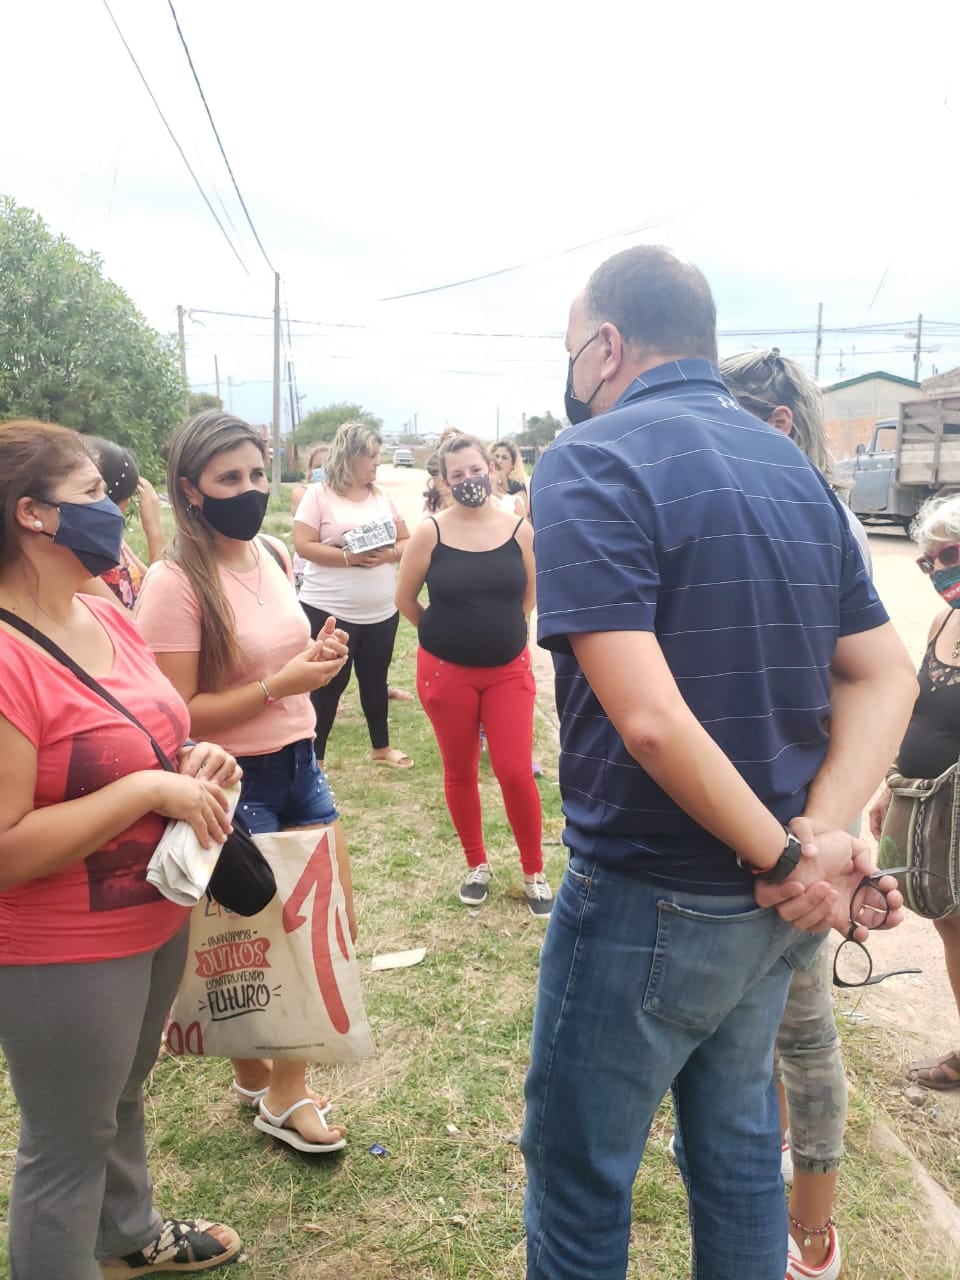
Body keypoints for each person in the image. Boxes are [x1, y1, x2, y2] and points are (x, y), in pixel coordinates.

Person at [523, 245, 918, 1280]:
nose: (570, 373)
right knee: (741, 1148)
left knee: (579, 1174)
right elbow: (886, 674)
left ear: (606, 346)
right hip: (769, 904)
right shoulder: (789, 463)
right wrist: (816, 841)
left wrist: (799, 853)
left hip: (655, 891)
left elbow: (649, 719)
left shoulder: (591, 458)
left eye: (571, 350)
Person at [0, 419, 243, 1279]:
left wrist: (189, 762)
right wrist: (148, 790)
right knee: (64, 1150)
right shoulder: (4, 656)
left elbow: (149, 734)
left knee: (121, 1096)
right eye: (95, 494)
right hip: (60, 946)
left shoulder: (105, 609)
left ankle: (127, 1233)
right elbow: (7, 848)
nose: (114, 507)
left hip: (153, 916)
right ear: (33, 516)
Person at [135, 409, 356, 1155]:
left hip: (300, 762)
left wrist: (316, 657)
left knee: (314, 930)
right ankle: (275, 1088)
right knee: (257, 938)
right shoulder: (173, 581)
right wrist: (276, 685)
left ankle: (272, 1081)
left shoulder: (268, 553)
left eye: (258, 473)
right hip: (231, 780)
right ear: (191, 490)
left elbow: (278, 657)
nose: (251, 489)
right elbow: (180, 714)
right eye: (231, 477)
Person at [721, 349, 875, 1280]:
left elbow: (861, 685)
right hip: (735, 816)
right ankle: (760, 1144)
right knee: (755, 1022)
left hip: (796, 825)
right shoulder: (749, 508)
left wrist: (833, 831)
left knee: (804, 1025)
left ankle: (812, 1232)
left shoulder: (825, 525)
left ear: (776, 424)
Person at [395, 433, 552, 916]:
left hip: (507, 670)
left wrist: (499, 631)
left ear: (493, 470)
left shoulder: (519, 529)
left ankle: (534, 871)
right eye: (457, 475)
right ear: (444, 480)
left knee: (513, 769)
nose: (468, 481)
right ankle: (477, 864)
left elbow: (530, 593)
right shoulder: (430, 532)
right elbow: (405, 600)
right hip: (446, 673)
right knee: (460, 769)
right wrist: (446, 635)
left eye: (475, 471)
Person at [869, 492, 960, 1093]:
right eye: (928, 563)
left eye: (948, 556)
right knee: (950, 924)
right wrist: (888, 783)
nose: (938, 572)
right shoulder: (944, 620)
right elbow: (919, 711)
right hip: (931, 806)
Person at [294, 421, 413, 769]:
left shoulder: (382, 497)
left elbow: (406, 540)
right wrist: (349, 558)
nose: (378, 462)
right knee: (329, 683)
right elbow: (303, 544)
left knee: (375, 680)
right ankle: (314, 758)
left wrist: (389, 554)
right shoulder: (319, 495)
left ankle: (381, 748)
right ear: (350, 457)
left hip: (380, 610)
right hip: (328, 606)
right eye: (371, 456)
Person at [79, 436, 165, 609]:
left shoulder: (116, 542)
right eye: (126, 496)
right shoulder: (79, 560)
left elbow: (156, 581)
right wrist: (153, 530)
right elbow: (159, 602)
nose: (127, 505)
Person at [491, 440, 529, 518]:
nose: (499, 461)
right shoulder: (484, 484)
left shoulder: (517, 486)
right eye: (496, 456)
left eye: (504, 458)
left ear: (512, 465)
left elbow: (522, 519)